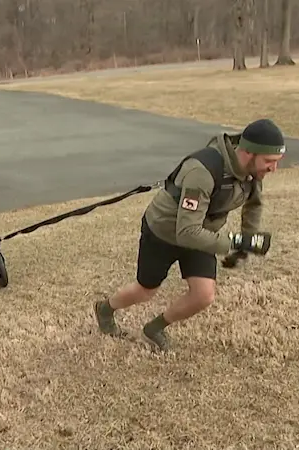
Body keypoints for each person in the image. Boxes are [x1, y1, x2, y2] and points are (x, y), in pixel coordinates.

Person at [93, 118, 286, 352]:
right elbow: (186, 232)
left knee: (203, 295)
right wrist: (236, 241)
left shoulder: (252, 172)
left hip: (202, 233)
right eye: (269, 161)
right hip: (164, 232)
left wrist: (247, 241)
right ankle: (105, 308)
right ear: (247, 152)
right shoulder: (202, 171)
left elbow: (253, 205)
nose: (273, 168)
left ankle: (154, 328)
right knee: (145, 291)